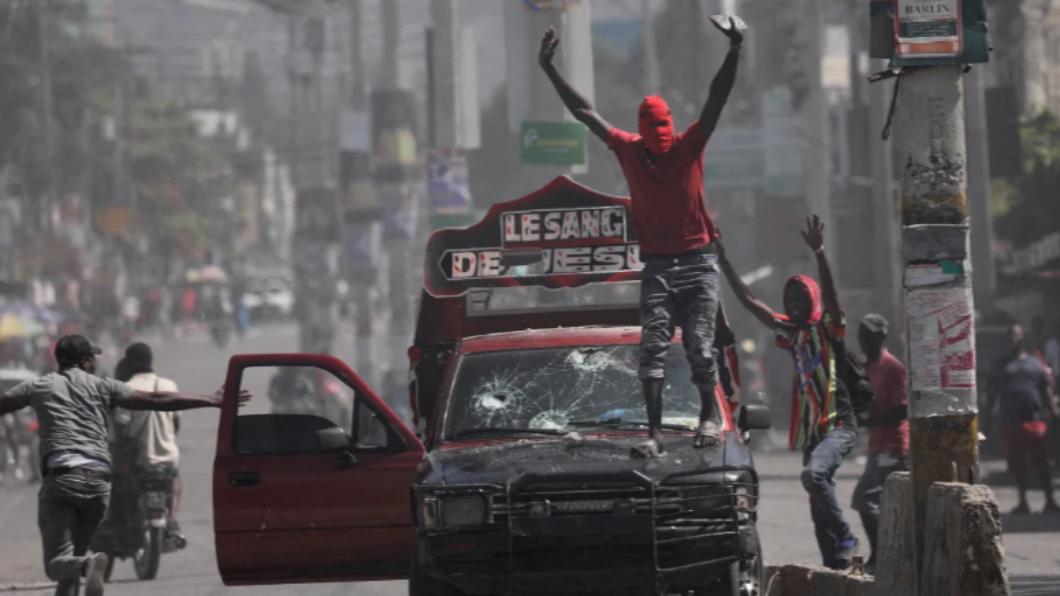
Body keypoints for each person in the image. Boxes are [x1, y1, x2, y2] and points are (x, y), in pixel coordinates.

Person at [538, 17, 744, 456]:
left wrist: (734, 50)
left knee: (700, 347)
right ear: (643, 134)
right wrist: (550, 69)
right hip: (657, 264)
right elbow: (584, 112)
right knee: (651, 350)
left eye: (663, 134)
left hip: (698, 261)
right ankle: (654, 434)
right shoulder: (628, 149)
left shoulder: (688, 145)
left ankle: (708, 415)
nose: (659, 144)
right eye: (653, 137)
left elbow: (716, 98)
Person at [0, 334, 250, 596]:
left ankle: (87, 565)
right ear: (84, 361)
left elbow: (3, 404)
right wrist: (210, 399)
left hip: (62, 480)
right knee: (73, 559)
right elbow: (157, 400)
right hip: (98, 483)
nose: (95, 363)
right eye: (93, 358)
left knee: (57, 564)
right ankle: (86, 564)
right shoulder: (103, 386)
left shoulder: (39, 386)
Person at [718, 215, 860, 570]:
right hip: (813, 433)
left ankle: (846, 536)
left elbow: (832, 295)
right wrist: (722, 261)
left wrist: (820, 253)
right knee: (816, 499)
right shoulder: (790, 334)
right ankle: (836, 564)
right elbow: (750, 301)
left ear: (812, 300)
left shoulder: (829, 328)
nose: (794, 303)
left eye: (800, 298)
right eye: (790, 298)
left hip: (838, 426)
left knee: (813, 477)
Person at [850, 314, 908, 572]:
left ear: (881, 336)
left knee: (865, 499)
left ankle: (881, 555)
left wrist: (872, 420)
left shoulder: (893, 368)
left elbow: (902, 409)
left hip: (892, 446)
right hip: (876, 444)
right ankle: (890, 555)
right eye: (861, 332)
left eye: (869, 334)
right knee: (880, 502)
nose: (863, 338)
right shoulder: (865, 366)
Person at [111, 342, 185, 543]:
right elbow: (176, 425)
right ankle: (173, 520)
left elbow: (121, 429)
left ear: (129, 362)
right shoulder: (169, 386)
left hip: (139, 460)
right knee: (175, 482)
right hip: (168, 458)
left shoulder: (126, 389)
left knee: (121, 487)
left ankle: (127, 524)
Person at [986, 324, 1060, 514]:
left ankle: (1050, 500)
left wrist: (1053, 413)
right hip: (1011, 422)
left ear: (1022, 338)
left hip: (1034, 420)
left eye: (1016, 336)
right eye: (1010, 337)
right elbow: (992, 395)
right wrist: (986, 420)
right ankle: (1023, 502)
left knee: (1041, 462)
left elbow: (1046, 391)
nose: (1013, 340)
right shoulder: (1000, 366)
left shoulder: (1035, 364)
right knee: (1017, 465)